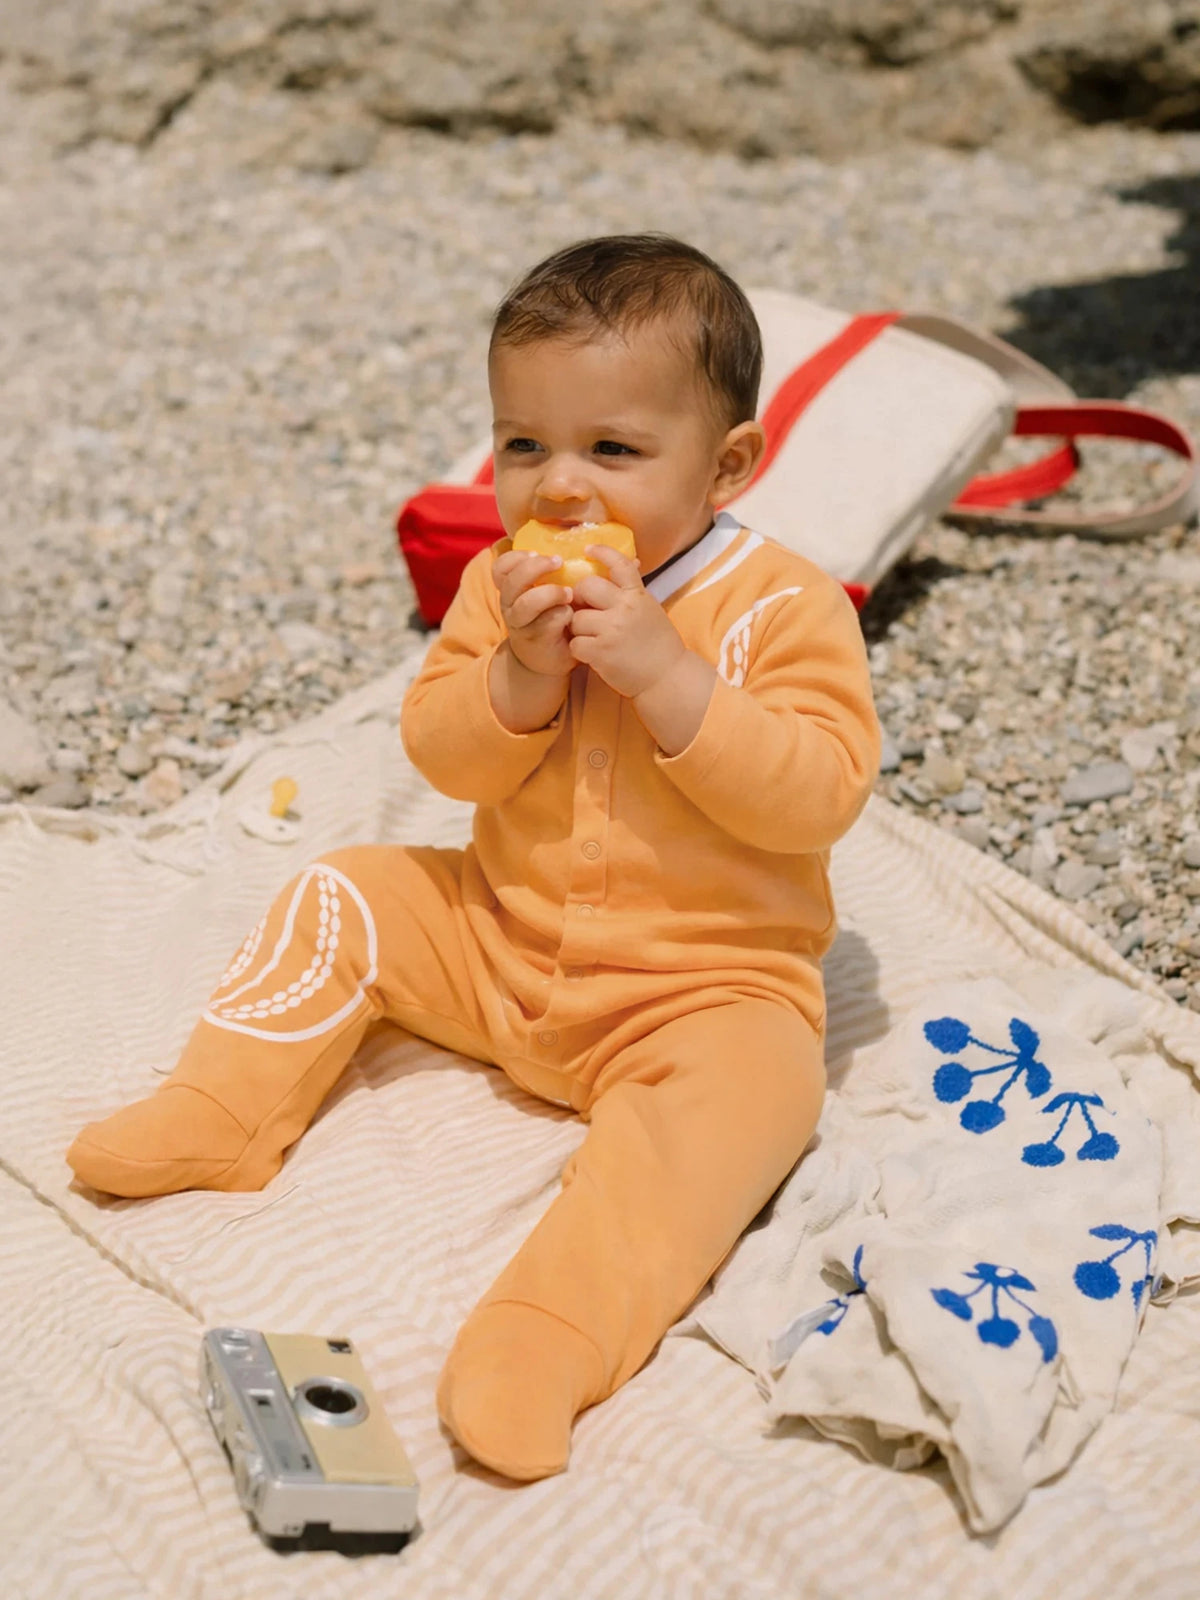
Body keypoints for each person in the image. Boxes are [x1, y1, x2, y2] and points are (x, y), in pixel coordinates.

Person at [67, 233, 881, 1482]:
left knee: (760, 1089)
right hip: (500, 939)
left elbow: (817, 794)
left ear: (727, 466)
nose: (560, 488)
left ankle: (551, 1330)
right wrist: (518, 673)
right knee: (350, 887)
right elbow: (446, 754)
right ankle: (223, 1107)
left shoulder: (785, 606)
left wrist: (667, 674)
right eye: (522, 445)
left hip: (697, 987)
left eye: (613, 450)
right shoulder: (505, 585)